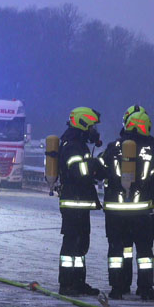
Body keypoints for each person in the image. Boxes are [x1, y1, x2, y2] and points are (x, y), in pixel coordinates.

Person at [99, 107, 154, 300]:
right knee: (145, 251)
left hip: (116, 212)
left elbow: (99, 170)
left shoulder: (113, 147)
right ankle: (145, 289)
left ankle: (118, 287)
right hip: (143, 212)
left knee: (118, 250)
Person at [56, 107, 104, 296]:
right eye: (92, 126)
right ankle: (66, 283)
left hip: (80, 202)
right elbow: (78, 172)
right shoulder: (72, 144)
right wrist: (96, 165)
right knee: (71, 244)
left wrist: (98, 167)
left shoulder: (79, 143)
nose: (94, 130)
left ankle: (78, 282)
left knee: (81, 243)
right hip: (73, 202)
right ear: (83, 123)